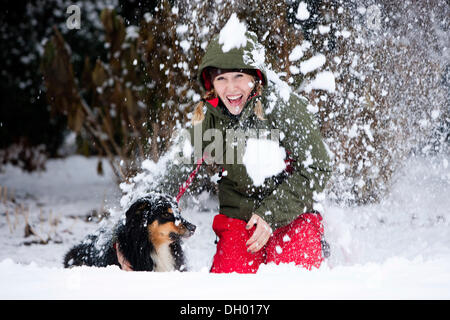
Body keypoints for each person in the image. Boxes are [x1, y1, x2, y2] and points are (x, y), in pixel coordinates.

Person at [117, 30, 332, 273]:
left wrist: (270, 214)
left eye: (239, 76)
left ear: (255, 76)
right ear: (210, 82)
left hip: (292, 214)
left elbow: (319, 167)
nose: (231, 89)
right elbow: (174, 169)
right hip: (240, 217)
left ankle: (315, 244)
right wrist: (126, 233)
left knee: (293, 276)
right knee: (229, 287)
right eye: (221, 79)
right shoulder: (210, 115)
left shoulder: (283, 105)